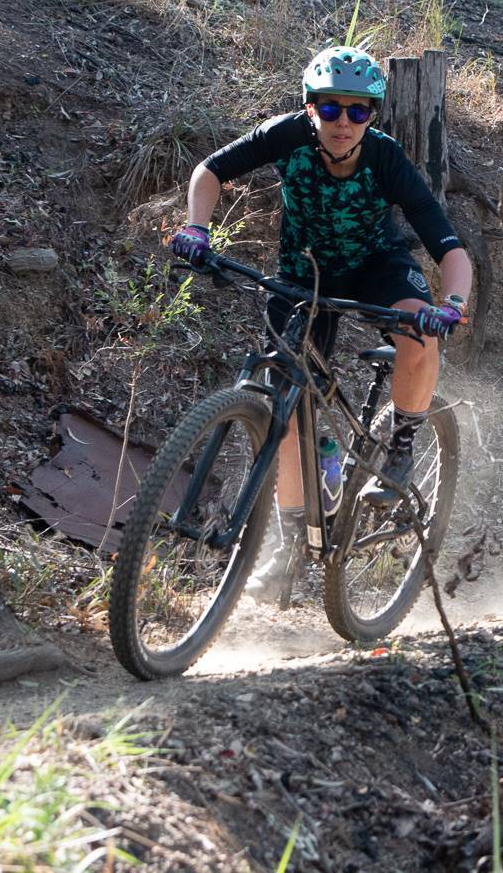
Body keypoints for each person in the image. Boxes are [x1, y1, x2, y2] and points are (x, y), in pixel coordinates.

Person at [167, 46, 473, 601]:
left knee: (419, 332)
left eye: (358, 111)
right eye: (330, 109)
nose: (343, 122)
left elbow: (451, 249)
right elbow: (210, 171)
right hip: (304, 273)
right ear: (310, 108)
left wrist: (450, 302)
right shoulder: (285, 135)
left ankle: (402, 445)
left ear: (373, 115)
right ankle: (288, 547)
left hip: (375, 267)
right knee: (281, 412)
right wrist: (196, 229)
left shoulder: (386, 159)